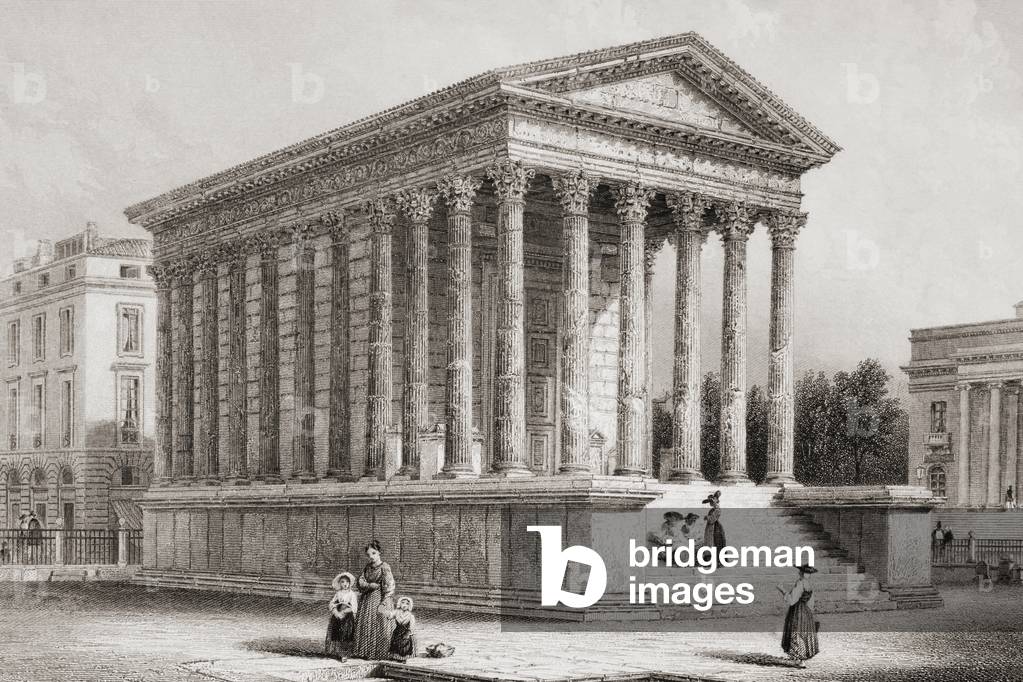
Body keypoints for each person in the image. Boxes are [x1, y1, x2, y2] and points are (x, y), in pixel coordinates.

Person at [353, 540, 396, 660]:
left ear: (379, 552)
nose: (371, 557)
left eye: (373, 553)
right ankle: (366, 652)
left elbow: (389, 586)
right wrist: (368, 585)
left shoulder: (385, 567)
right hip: (367, 599)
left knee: (380, 624)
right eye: (369, 554)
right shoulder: (367, 567)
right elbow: (360, 581)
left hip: (380, 599)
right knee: (366, 624)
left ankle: (379, 652)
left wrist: (384, 601)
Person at [777, 564, 820, 666]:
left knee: (796, 632)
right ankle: (799, 657)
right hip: (806, 611)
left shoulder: (800, 583)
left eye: (801, 571)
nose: (799, 573)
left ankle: (799, 659)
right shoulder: (809, 584)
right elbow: (811, 602)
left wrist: (782, 590)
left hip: (798, 611)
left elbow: (792, 600)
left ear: (801, 573)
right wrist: (810, 613)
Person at [324, 572, 358, 660]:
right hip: (337, 616)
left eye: (347, 582)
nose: (345, 584)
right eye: (343, 582)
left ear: (350, 583)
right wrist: (336, 612)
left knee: (346, 634)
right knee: (336, 633)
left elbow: (354, 607)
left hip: (347, 617)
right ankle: (336, 652)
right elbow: (332, 603)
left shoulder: (352, 594)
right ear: (340, 583)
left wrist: (344, 612)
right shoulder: (338, 593)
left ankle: (344, 654)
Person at [387, 596, 418, 662]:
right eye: (403, 603)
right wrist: (385, 612)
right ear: (399, 604)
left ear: (409, 606)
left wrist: (408, 634)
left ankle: (403, 659)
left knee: (405, 645)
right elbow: (390, 616)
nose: (404, 605)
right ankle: (394, 657)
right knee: (395, 644)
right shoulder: (396, 612)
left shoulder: (410, 616)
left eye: (407, 604)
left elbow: (411, 627)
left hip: (405, 632)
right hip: (397, 631)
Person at [702, 491, 725, 560]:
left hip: (715, 528)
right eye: (710, 502)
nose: (711, 503)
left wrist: (707, 517)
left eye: (712, 502)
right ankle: (708, 558)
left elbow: (712, 519)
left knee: (713, 542)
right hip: (710, 527)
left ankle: (714, 559)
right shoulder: (712, 510)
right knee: (708, 541)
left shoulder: (717, 510)